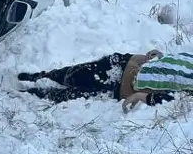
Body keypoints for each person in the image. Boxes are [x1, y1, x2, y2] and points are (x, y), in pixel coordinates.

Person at [17, 49, 193, 112]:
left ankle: (29, 95)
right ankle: (44, 75)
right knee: (73, 73)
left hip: (121, 85)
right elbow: (178, 64)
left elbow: (176, 99)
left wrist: (141, 97)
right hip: (127, 61)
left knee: (71, 94)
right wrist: (159, 56)